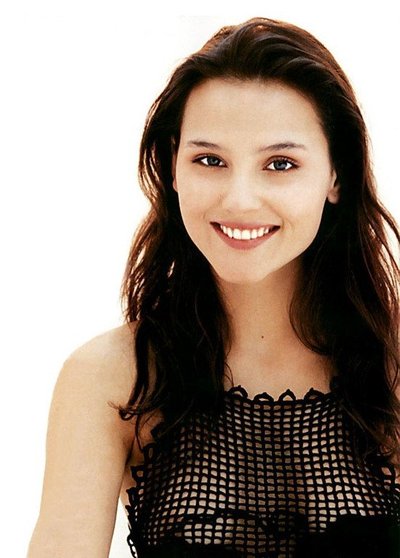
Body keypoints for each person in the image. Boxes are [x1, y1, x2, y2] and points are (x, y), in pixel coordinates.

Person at [27, 17, 400, 558]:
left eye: (280, 164)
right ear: (173, 169)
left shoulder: (392, 367)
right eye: (210, 160)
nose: (239, 199)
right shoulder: (111, 380)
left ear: (335, 176)